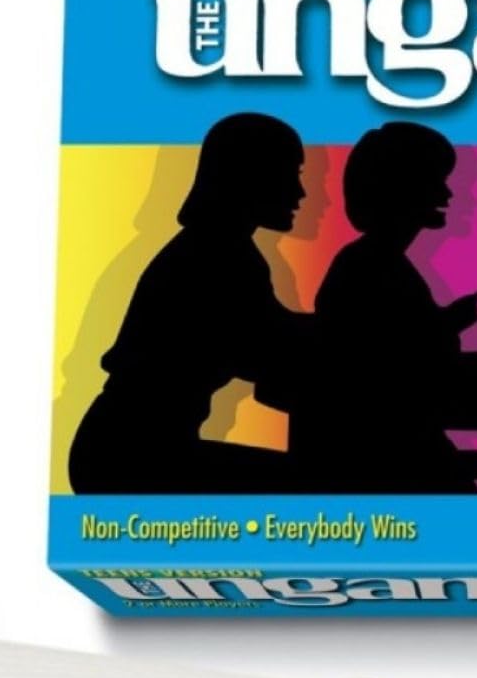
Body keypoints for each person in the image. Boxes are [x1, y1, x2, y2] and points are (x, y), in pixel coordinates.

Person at [68, 112, 313, 493]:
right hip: (130, 457)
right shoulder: (219, 256)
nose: (300, 192)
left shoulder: (220, 248)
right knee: (307, 485)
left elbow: (271, 331)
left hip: (127, 449)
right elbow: (269, 347)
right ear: (251, 175)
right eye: (289, 174)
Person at [301, 123, 477, 493]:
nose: (447, 193)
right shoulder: (372, 266)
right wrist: (447, 326)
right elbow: (390, 361)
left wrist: (446, 324)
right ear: (402, 189)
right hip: (384, 451)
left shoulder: (373, 262)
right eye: (434, 181)